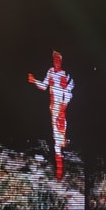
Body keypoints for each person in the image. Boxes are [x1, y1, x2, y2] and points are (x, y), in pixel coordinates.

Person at [28, 50, 74, 180]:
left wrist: (63, 109)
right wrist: (33, 81)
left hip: (61, 109)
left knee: (59, 139)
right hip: (53, 108)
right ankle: (59, 169)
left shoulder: (66, 75)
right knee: (56, 139)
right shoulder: (50, 71)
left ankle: (60, 171)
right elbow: (43, 86)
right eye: (54, 59)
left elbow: (69, 93)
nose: (56, 62)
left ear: (62, 61)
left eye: (58, 59)